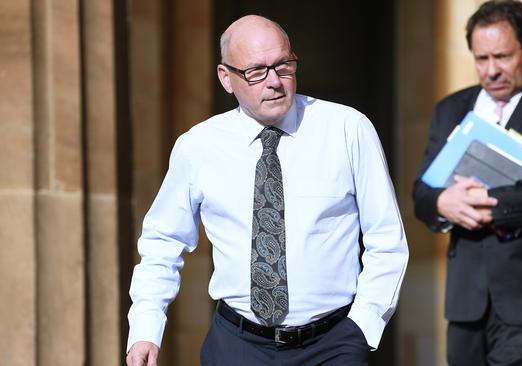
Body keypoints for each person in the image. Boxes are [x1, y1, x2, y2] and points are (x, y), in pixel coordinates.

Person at [126, 15, 408, 366]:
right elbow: (162, 243)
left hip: (333, 344)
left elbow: (387, 239)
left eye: (283, 65)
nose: (274, 82)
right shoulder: (197, 147)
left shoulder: (348, 129)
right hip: (238, 345)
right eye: (256, 71)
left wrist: (362, 328)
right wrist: (145, 328)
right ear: (226, 78)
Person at [412, 1, 522, 365]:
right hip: (466, 299)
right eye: (481, 59)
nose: (491, 70)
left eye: (503, 56)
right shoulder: (450, 108)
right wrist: (442, 204)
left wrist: (489, 200)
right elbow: (421, 191)